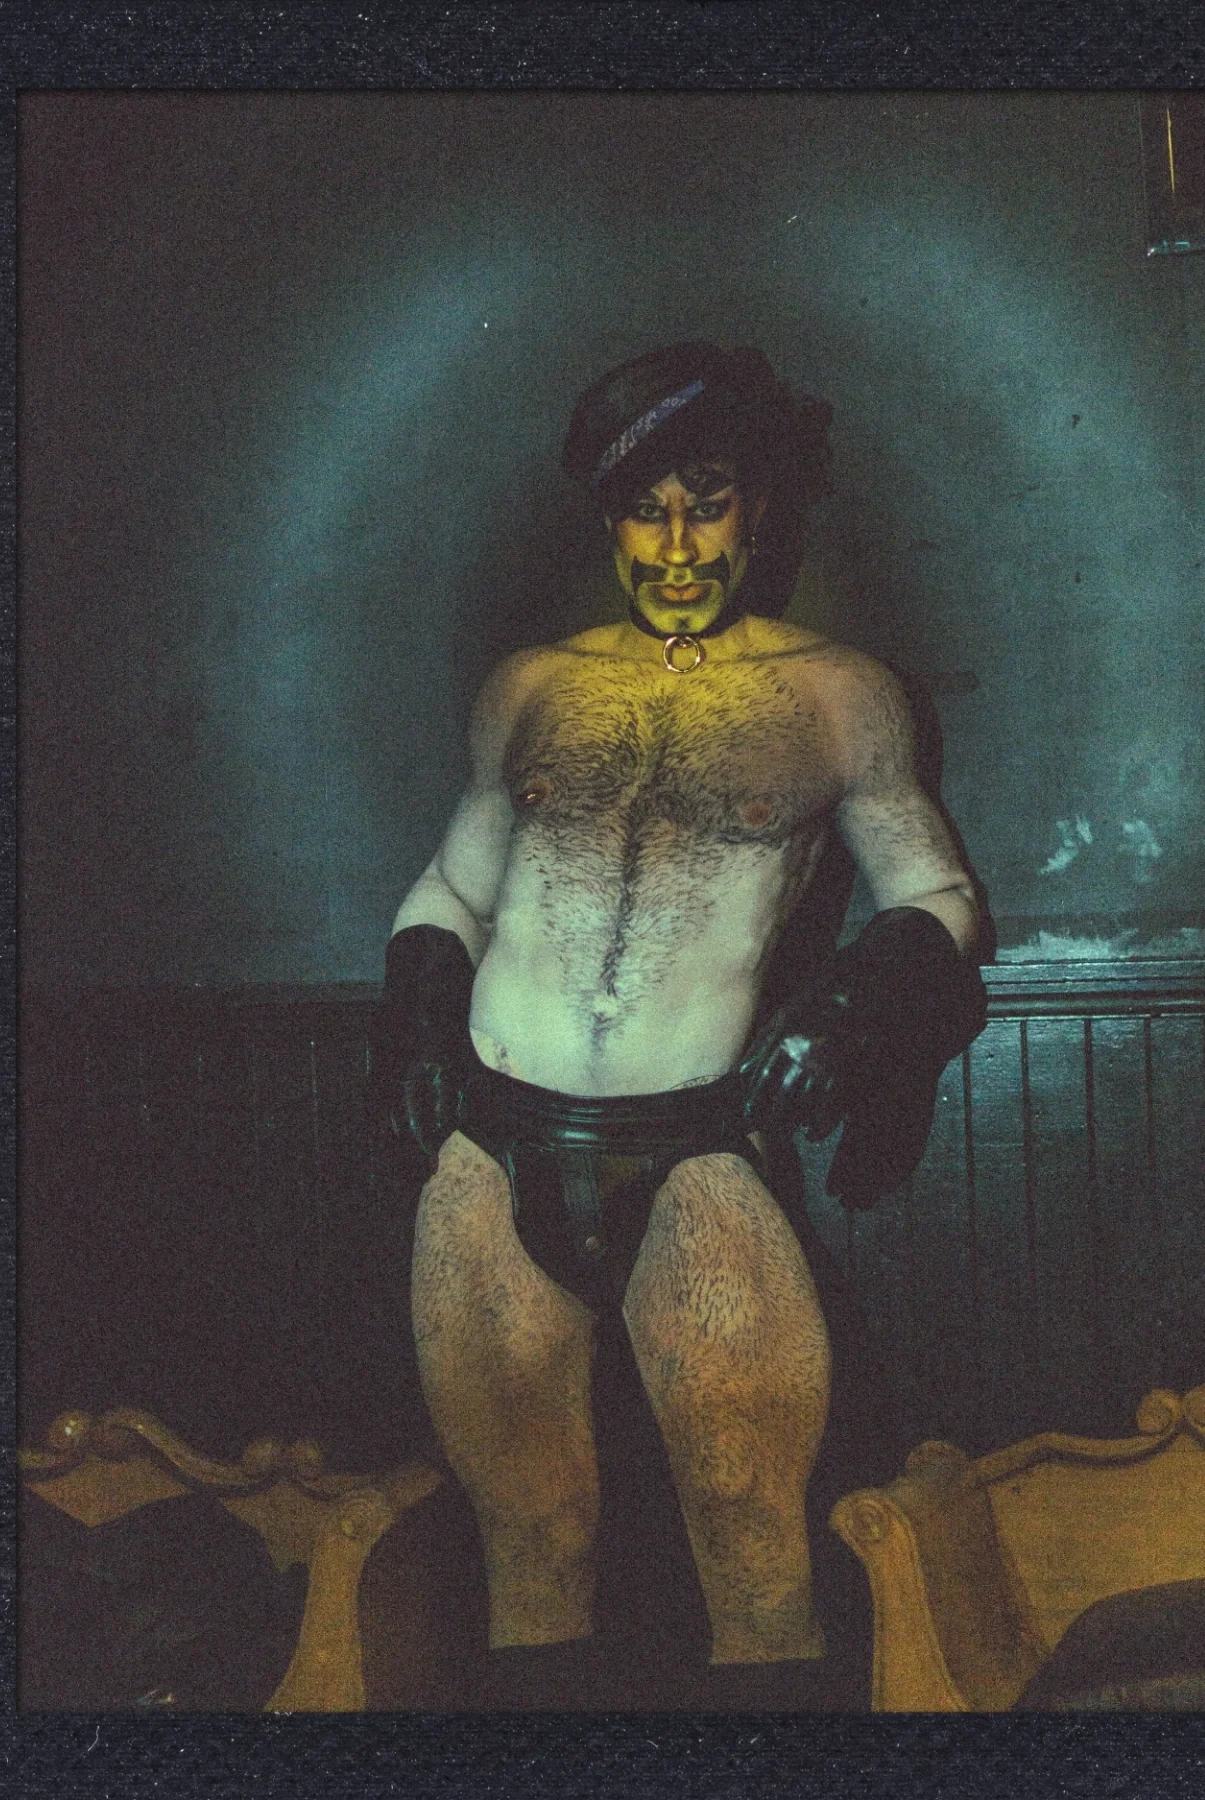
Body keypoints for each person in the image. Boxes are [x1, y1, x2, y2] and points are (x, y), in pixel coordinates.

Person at [371, 343, 987, 1709]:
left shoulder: (839, 694)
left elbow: (939, 898)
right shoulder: (531, 686)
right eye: (646, 511)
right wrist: (416, 1011)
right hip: (490, 1156)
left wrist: (854, 1010)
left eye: (707, 505)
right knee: (528, 1541)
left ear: (758, 513)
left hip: (696, 1157)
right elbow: (455, 887)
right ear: (608, 520)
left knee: (755, 1541)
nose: (677, 544)